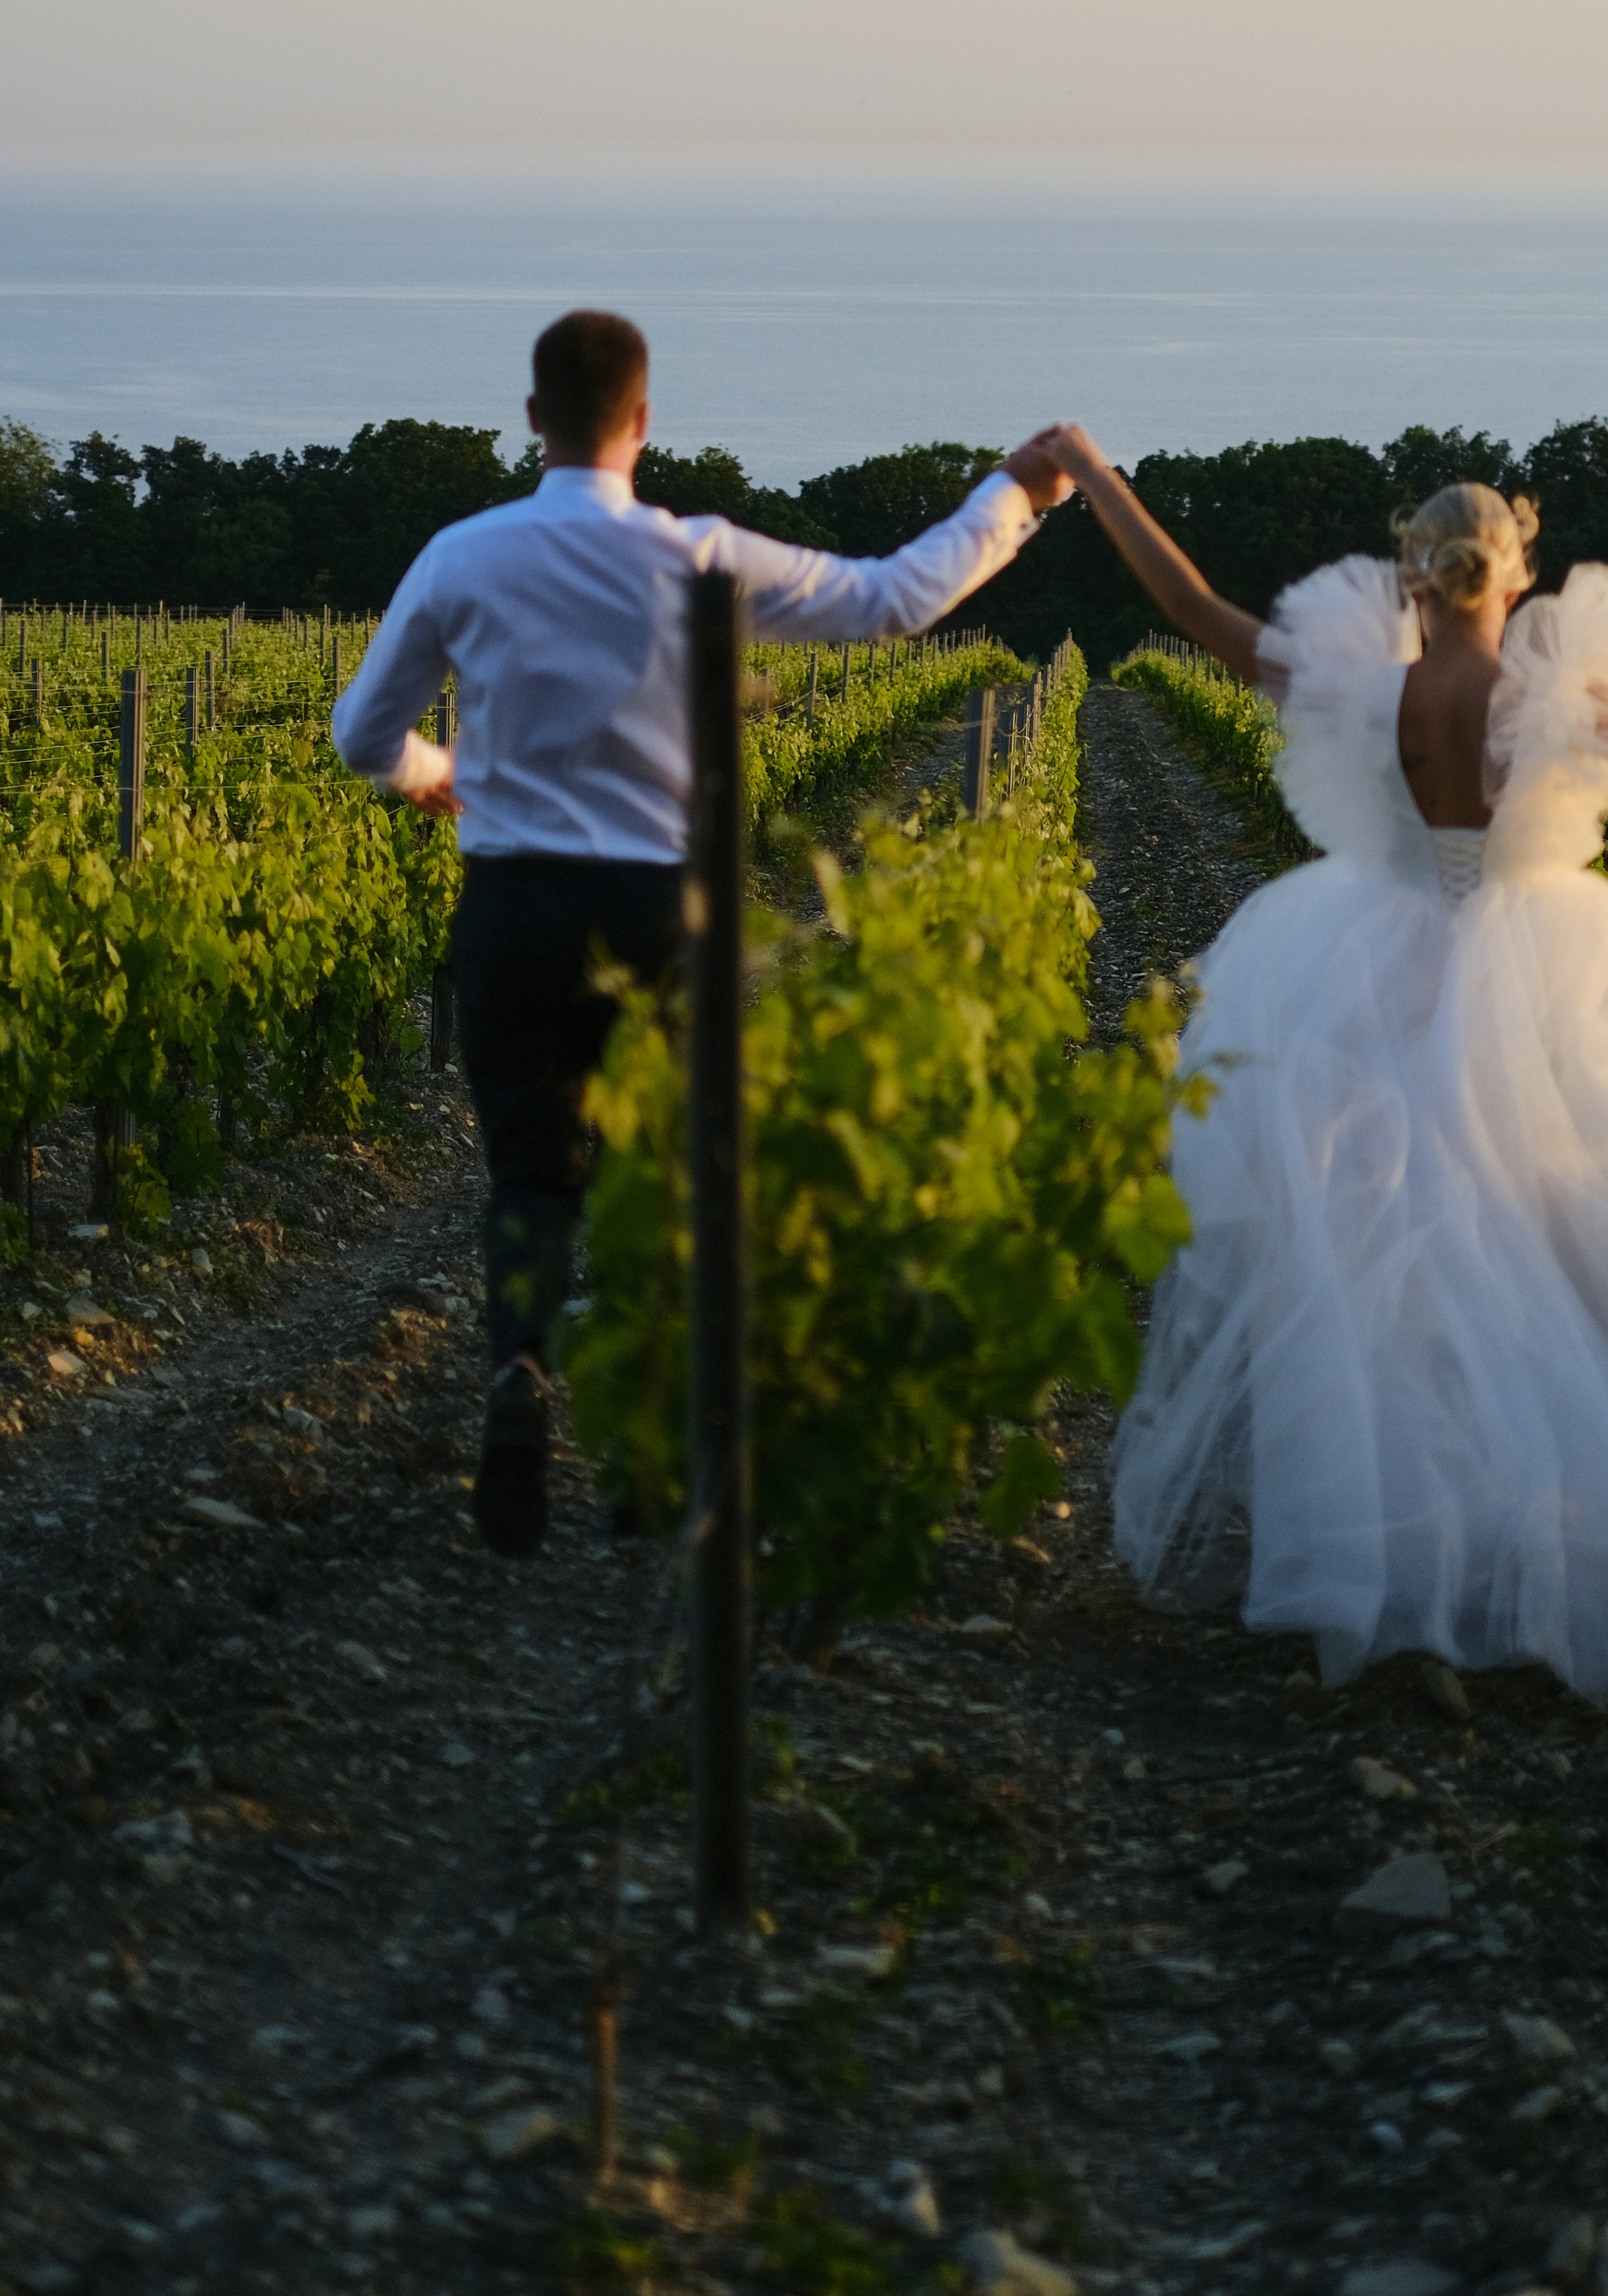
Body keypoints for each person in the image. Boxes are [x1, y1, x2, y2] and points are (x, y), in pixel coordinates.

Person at [1043, 427, 1608, 1705]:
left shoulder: (1365, 689)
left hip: (1367, 968)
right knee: (1549, 1260)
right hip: (1539, 979)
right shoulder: (1556, 706)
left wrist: (1094, 475)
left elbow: (1193, 606)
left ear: (1414, 578)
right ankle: (1542, 1540)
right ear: (1512, 578)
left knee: (1384, 1266)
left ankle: (1392, 1551)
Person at [334, 310, 1073, 1559]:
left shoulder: (461, 556)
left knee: (526, 1167)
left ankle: (517, 1380)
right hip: (655, 906)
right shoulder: (702, 560)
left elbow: (363, 735)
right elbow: (896, 601)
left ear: (532, 422)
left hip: (512, 902)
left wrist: (434, 771)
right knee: (660, 1174)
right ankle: (643, 1452)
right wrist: (1020, 491)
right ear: (642, 421)